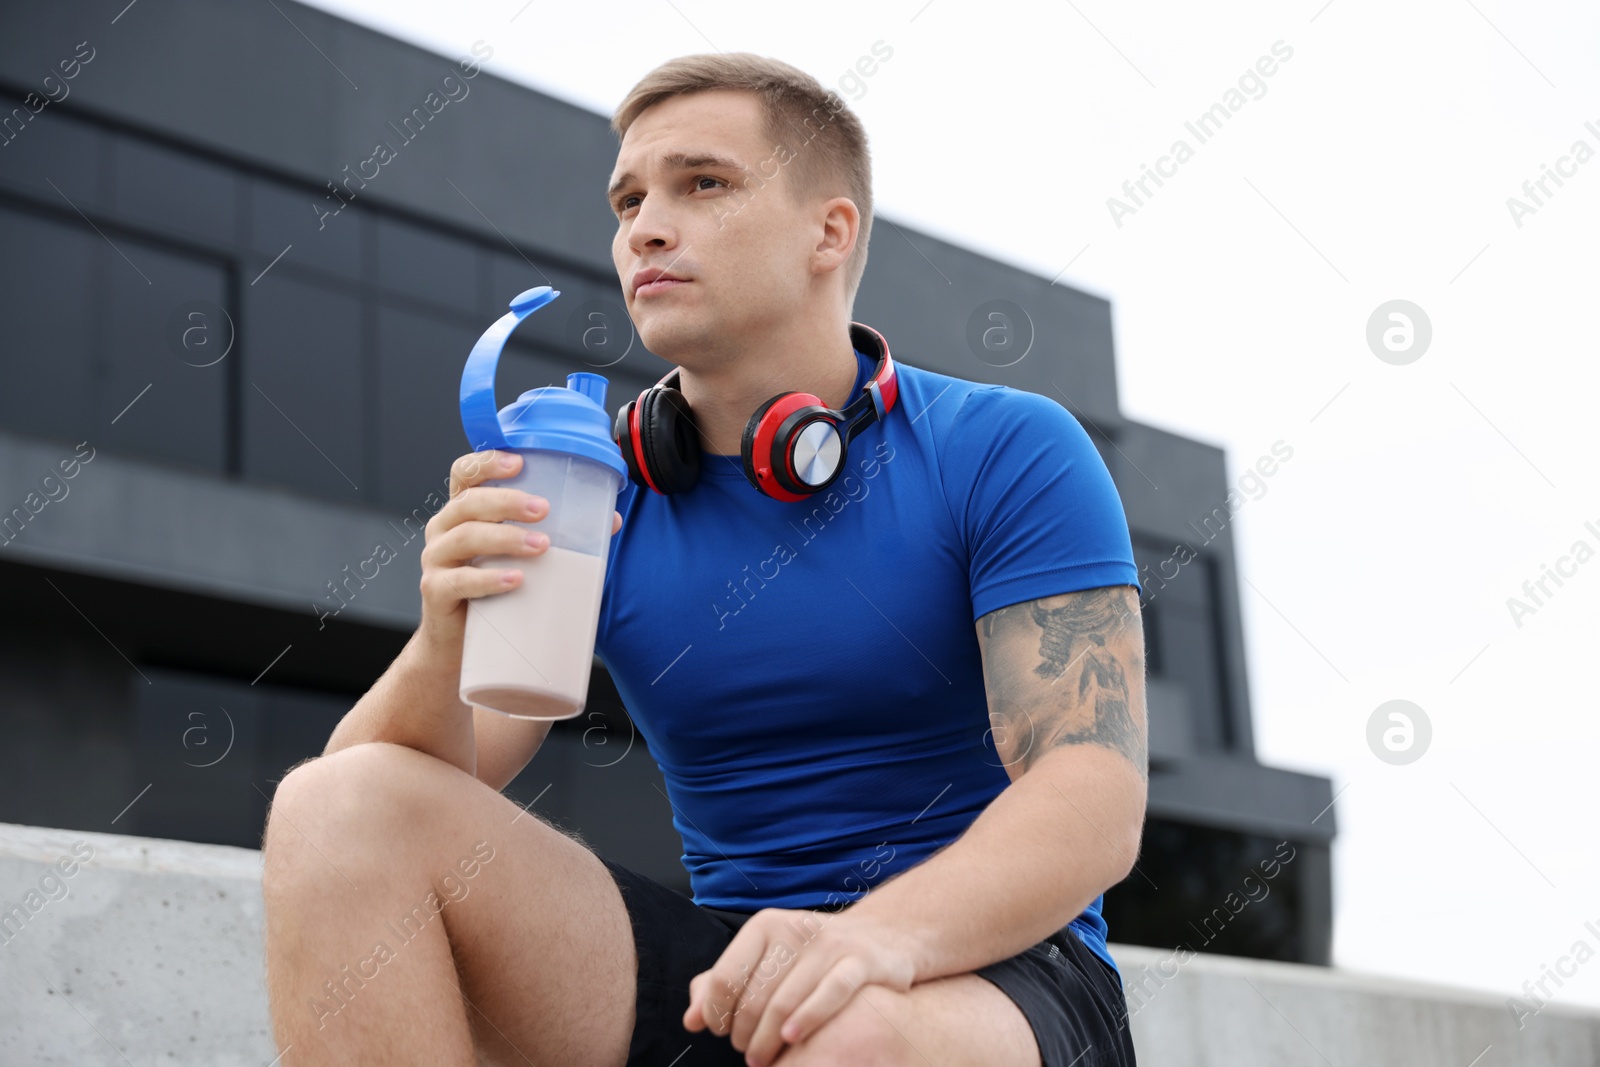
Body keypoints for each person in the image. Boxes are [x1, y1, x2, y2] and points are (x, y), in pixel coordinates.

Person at [261, 52, 1147, 1067]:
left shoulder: (1003, 446)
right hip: (728, 973)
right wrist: (445, 630)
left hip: (996, 975)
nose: (644, 224)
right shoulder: (598, 490)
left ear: (829, 230)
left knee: (839, 1028)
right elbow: (388, 802)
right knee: (334, 805)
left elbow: (1091, 790)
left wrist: (869, 938)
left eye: (703, 184)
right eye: (628, 198)